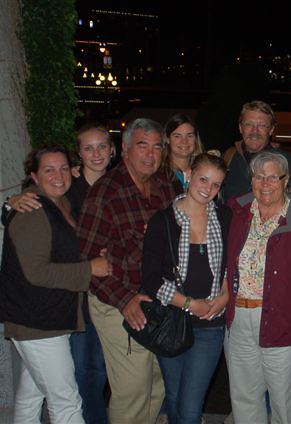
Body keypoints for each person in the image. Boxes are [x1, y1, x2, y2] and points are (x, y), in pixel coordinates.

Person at [0, 145, 111, 423]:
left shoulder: (62, 202)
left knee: (31, 395)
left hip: (49, 317)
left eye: (63, 168)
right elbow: (37, 272)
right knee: (66, 402)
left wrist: (93, 256)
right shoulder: (32, 209)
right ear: (34, 176)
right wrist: (90, 268)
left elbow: (62, 250)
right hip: (37, 321)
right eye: (49, 170)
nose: (58, 175)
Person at [77, 118, 175, 424]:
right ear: (125, 149)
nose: (150, 154)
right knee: (132, 389)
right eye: (142, 145)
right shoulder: (105, 193)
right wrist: (124, 300)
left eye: (157, 147)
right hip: (116, 302)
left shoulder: (165, 186)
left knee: (157, 382)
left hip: (156, 302)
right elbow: (88, 262)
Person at [224, 151, 291, 424]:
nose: (265, 183)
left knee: (283, 403)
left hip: (281, 318)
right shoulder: (236, 212)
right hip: (239, 318)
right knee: (245, 398)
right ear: (251, 180)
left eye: (273, 177)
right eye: (259, 177)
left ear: (286, 180)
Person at [142, 152, 230, 424]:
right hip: (172, 319)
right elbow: (150, 279)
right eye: (203, 179)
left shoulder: (225, 217)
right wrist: (190, 304)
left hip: (210, 323)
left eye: (216, 184)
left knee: (191, 406)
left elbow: (231, 264)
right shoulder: (163, 220)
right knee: (174, 396)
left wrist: (225, 295)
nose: (208, 189)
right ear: (189, 175)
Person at [221, 100, 291, 201]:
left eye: (262, 125)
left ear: (271, 130)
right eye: (249, 124)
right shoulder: (227, 158)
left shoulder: (289, 163)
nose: (255, 131)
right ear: (240, 128)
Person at [161, 113, 204, 195]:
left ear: (196, 139)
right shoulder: (159, 174)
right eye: (177, 136)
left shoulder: (204, 171)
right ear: (167, 139)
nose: (184, 141)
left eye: (189, 136)